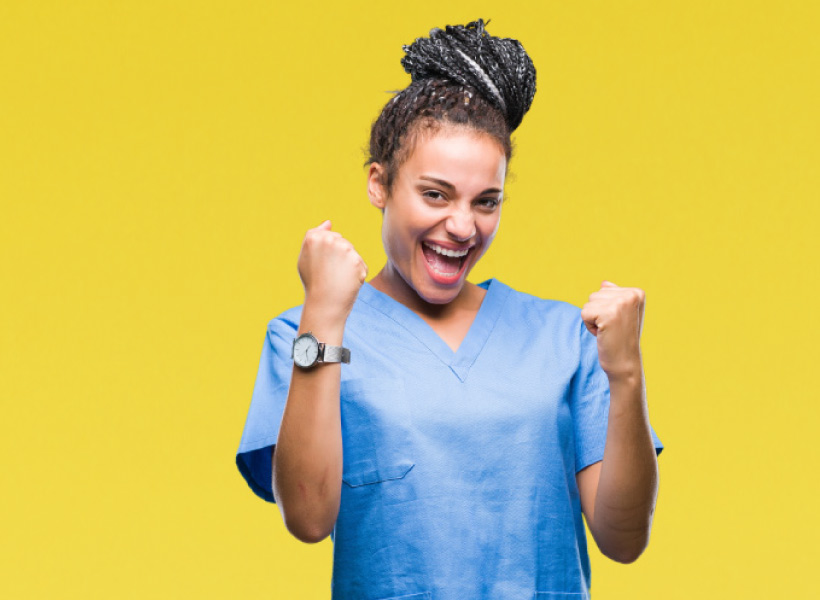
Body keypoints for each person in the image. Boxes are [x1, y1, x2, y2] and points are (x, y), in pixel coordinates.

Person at [236, 19, 663, 600]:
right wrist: (324, 317)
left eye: (486, 202)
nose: (462, 226)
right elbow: (308, 520)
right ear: (379, 184)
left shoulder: (564, 337)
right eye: (435, 194)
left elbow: (623, 538)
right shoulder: (304, 332)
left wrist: (626, 373)